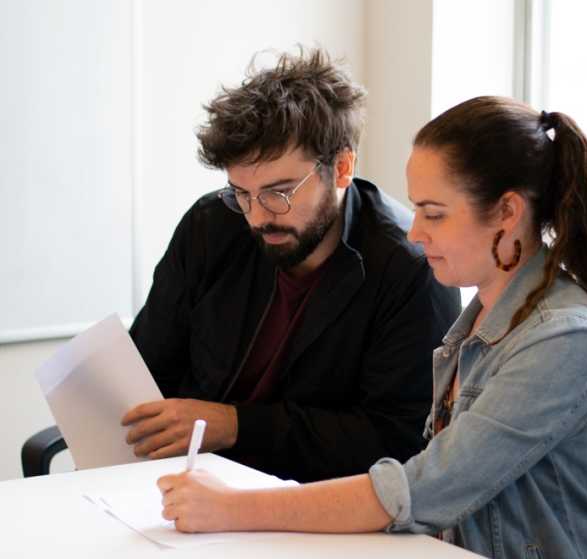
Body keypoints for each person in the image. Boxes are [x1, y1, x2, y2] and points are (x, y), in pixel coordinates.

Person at [155, 96, 587, 558]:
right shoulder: (477, 327)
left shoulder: (565, 339)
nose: (416, 231)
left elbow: (423, 490)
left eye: (434, 213)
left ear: (507, 212)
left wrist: (232, 508)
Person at [121, 47, 461, 482]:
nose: (259, 217)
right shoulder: (212, 226)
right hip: (189, 487)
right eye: (242, 193)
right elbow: (147, 368)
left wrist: (234, 426)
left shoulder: (409, 268)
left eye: (279, 192)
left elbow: (393, 441)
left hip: (316, 509)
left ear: (341, 168)